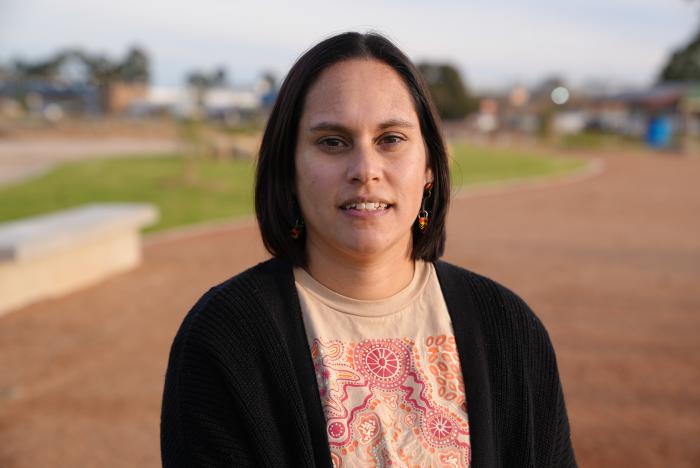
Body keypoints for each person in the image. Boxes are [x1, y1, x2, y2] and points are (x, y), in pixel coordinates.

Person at [161, 31, 577, 467]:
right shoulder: (226, 339)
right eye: (332, 142)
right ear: (289, 167)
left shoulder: (510, 329)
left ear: (430, 165)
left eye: (391, 139)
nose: (365, 170)